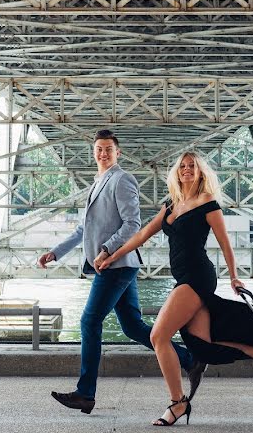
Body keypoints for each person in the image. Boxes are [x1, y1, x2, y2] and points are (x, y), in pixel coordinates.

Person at [98, 151, 253, 426]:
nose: (186, 170)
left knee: (159, 336)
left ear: (200, 172)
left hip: (197, 277)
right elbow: (141, 234)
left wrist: (234, 277)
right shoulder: (171, 205)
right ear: (177, 172)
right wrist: (112, 255)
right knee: (204, 342)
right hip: (183, 278)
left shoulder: (208, 203)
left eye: (192, 166)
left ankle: (178, 403)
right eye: (182, 166)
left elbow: (225, 243)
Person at [38, 130, 206, 415]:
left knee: (89, 321)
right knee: (132, 327)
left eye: (108, 149)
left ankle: (85, 393)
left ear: (118, 153)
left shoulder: (122, 179)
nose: (103, 153)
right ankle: (189, 359)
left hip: (116, 263)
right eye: (99, 149)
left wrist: (107, 249)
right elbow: (83, 230)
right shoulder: (97, 183)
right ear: (94, 152)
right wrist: (56, 252)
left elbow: (132, 224)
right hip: (115, 265)